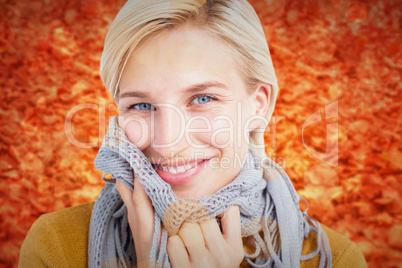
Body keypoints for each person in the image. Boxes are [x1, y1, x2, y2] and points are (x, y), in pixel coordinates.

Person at [19, 0, 367, 267]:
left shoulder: (332, 259)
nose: (168, 141)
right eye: (141, 105)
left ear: (259, 105)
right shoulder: (58, 247)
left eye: (203, 98)